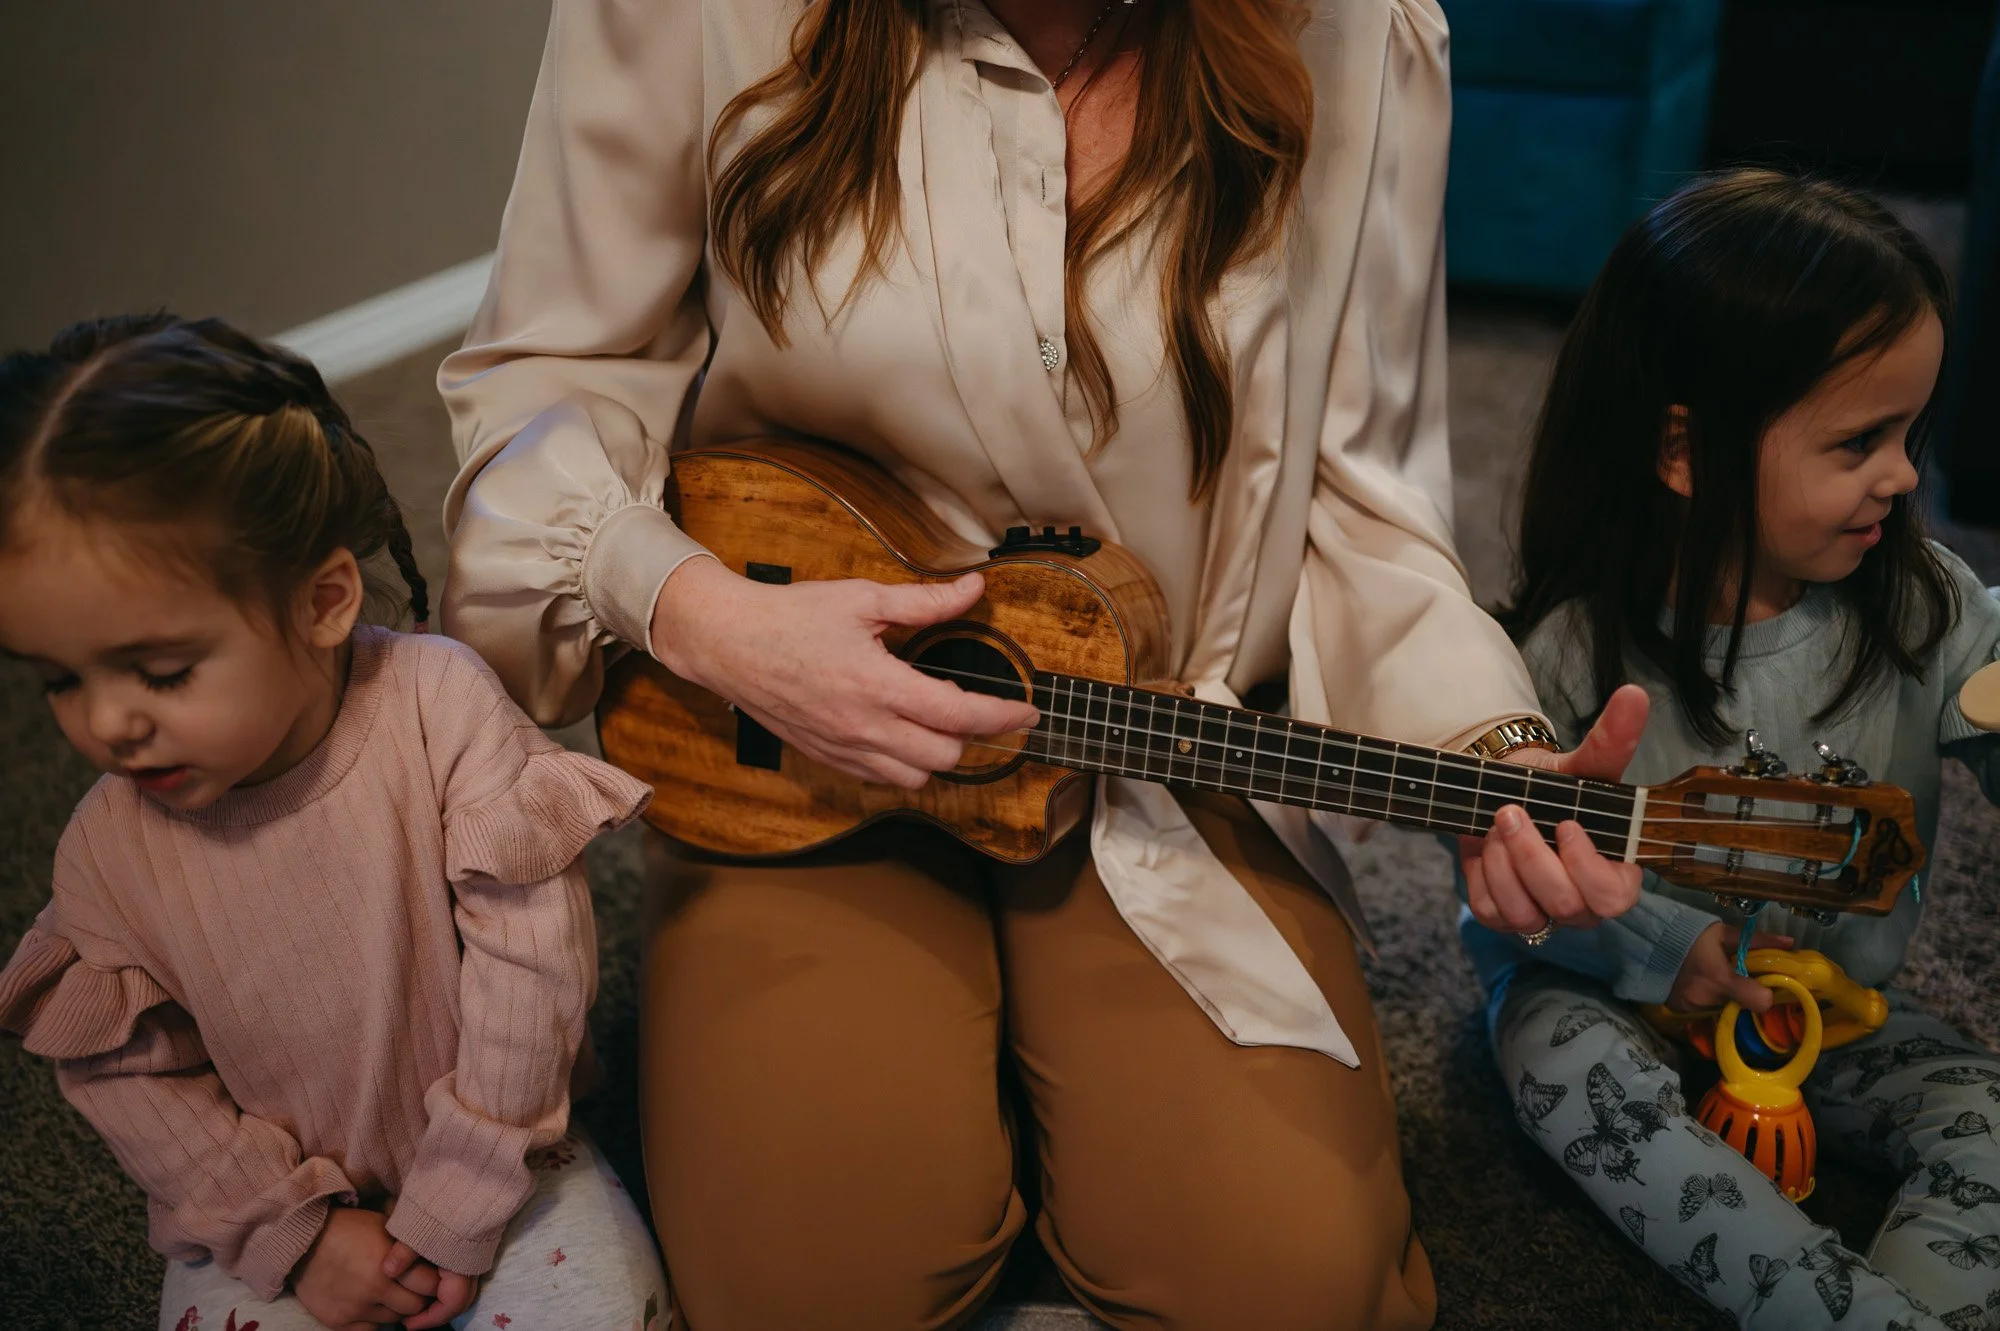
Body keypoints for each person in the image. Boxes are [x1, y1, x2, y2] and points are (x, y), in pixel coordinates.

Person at [440, 2, 1648, 1326]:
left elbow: (1361, 497)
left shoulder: (1355, 32)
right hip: (786, 743)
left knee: (1292, 1291)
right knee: (812, 1290)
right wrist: (704, 616)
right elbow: (549, 368)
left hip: (1151, 739)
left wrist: (1488, 745)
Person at [0, 316, 667, 1331]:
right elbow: (133, 1077)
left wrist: (460, 1193)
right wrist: (294, 1234)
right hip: (270, 1205)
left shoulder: (437, 706)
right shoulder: (105, 849)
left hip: (507, 1147)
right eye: (61, 680)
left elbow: (532, 968)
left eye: (161, 671)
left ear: (322, 601)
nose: (106, 723)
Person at [1463, 169, 2000, 1329]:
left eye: (1907, 432)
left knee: (1986, 1110)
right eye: (1858, 440)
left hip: (1830, 1011)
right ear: (1684, 451)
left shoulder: (1923, 604)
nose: (1904, 476)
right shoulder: (1563, 653)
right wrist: (1661, 945)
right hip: (1610, 1001)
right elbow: (1508, 895)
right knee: (1557, 1063)